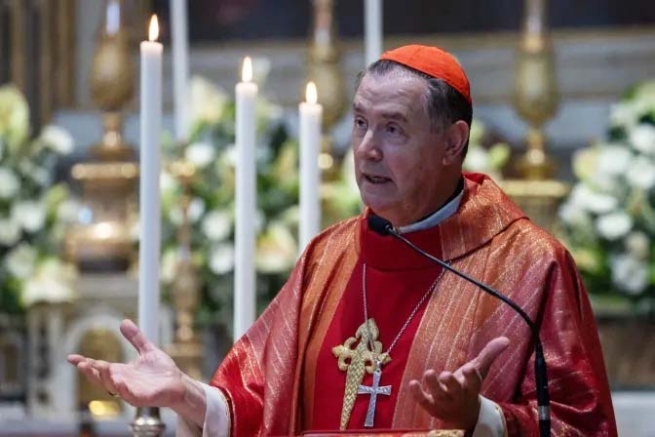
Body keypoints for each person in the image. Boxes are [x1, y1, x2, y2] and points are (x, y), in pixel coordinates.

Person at [69, 44, 617, 436]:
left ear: (453, 143)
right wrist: (181, 393)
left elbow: (580, 426)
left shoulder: (527, 268)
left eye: (393, 128)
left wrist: (485, 420)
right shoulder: (328, 257)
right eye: (359, 123)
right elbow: (258, 403)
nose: (367, 149)